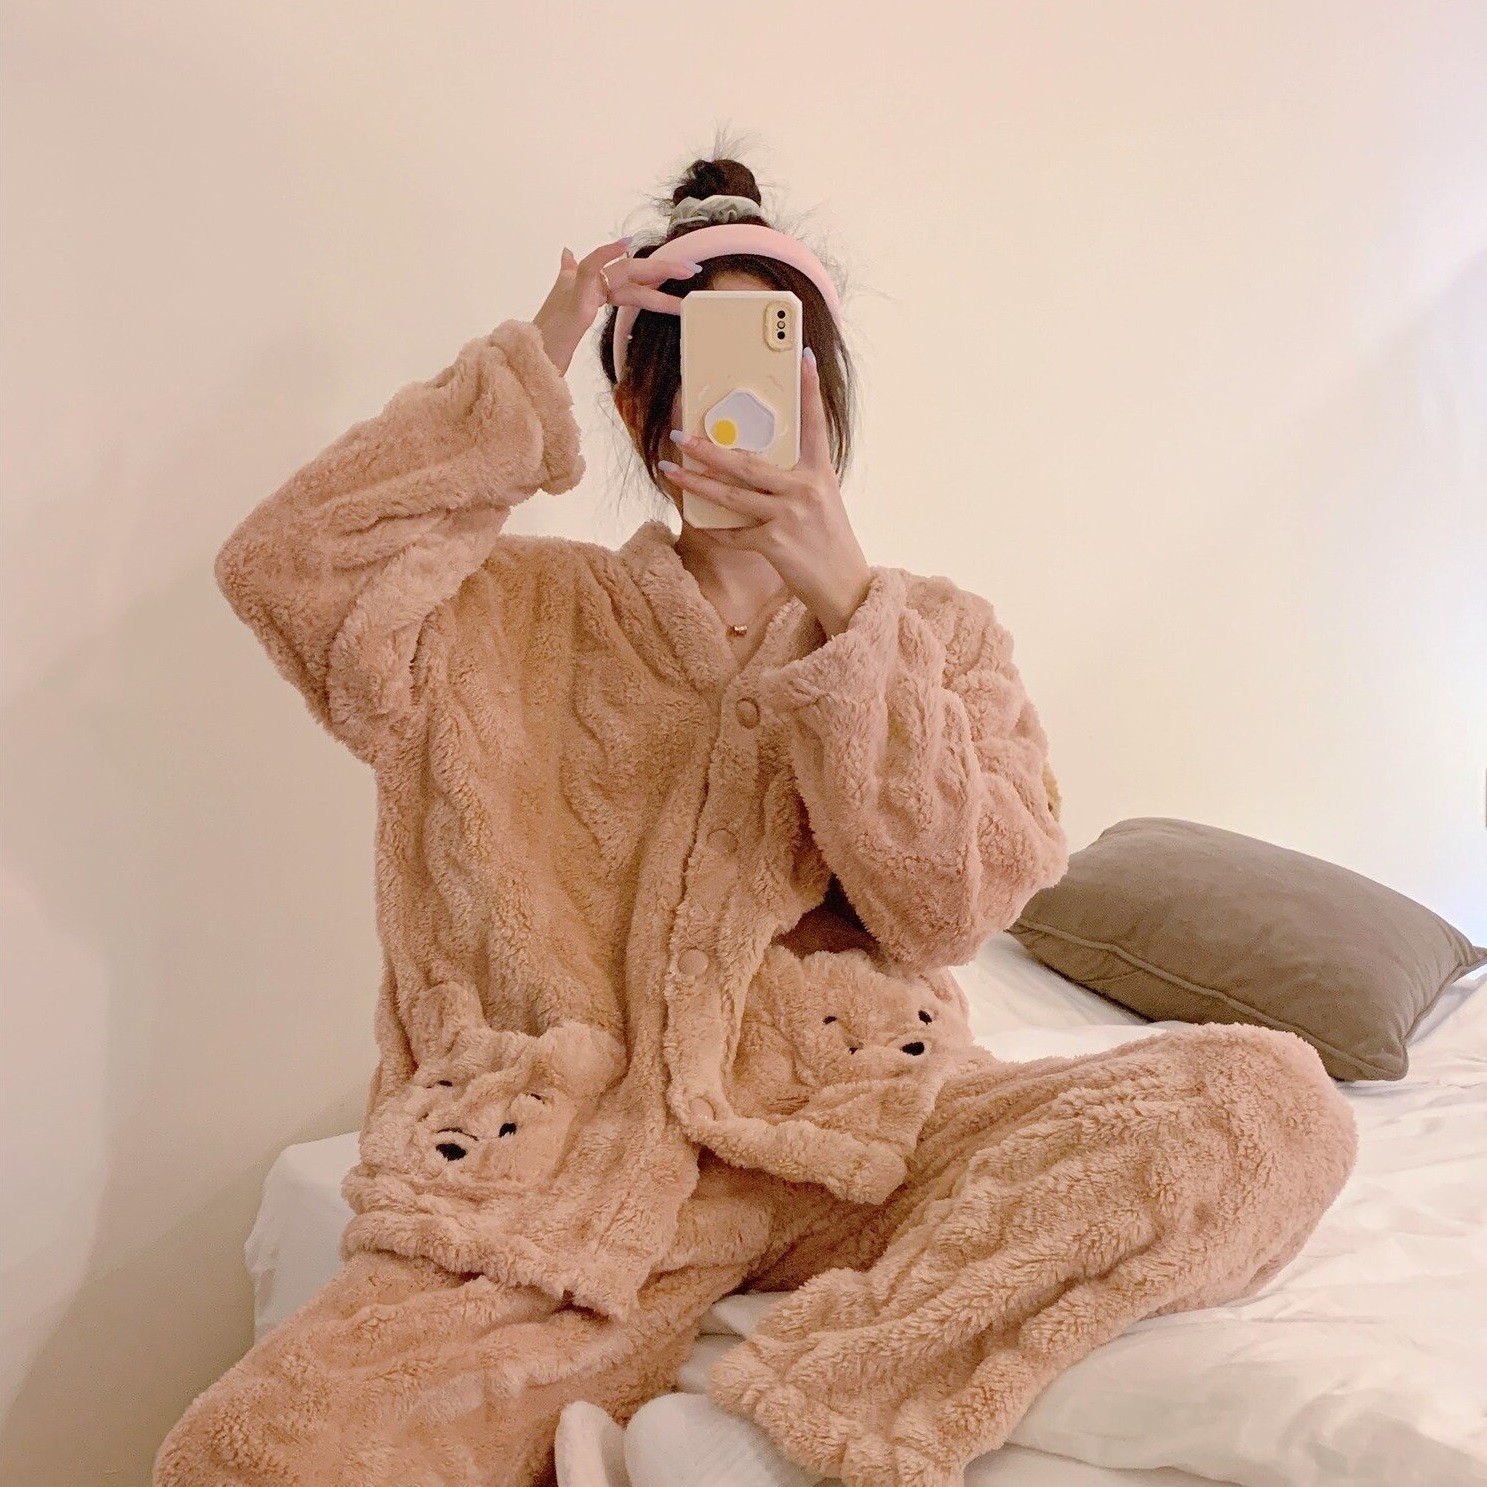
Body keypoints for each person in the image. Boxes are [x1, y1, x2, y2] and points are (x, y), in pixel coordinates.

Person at [153, 158, 1357, 1487]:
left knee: (1267, 1103)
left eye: (783, 359)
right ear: (639, 402)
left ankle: (771, 1427)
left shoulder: (932, 634)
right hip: (587, 1169)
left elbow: (956, 907)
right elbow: (288, 567)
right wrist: (532, 357)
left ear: (824, 394)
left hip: (870, 1142)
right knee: (247, 1456)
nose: (753, 401)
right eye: (712, 365)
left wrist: (850, 616)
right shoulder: (504, 615)